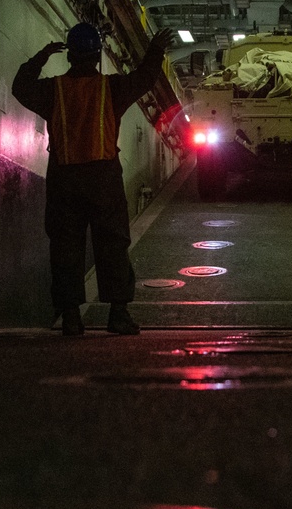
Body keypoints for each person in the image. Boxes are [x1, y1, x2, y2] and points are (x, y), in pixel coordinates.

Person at [12, 23, 175, 336]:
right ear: (98, 55)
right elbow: (144, 78)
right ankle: (118, 314)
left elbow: (21, 87)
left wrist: (42, 56)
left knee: (65, 246)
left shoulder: (52, 90)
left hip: (64, 177)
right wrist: (155, 50)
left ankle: (71, 317)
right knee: (112, 244)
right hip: (103, 177)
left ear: (71, 55)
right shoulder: (111, 88)